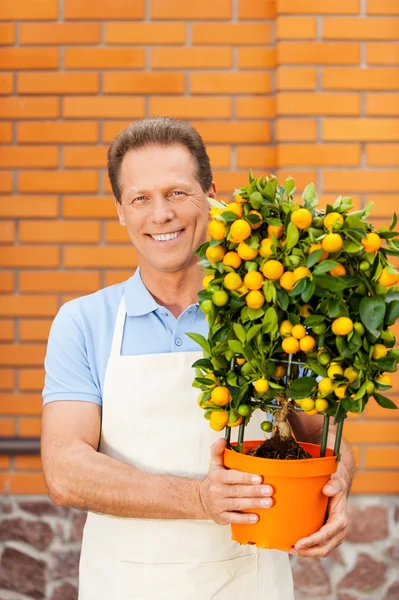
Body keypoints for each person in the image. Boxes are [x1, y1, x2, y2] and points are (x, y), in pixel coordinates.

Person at [41, 117, 355, 599]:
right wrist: (199, 499)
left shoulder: (273, 318)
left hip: (251, 585)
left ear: (211, 195)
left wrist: (339, 490)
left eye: (177, 193)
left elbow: (320, 437)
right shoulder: (83, 322)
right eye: (140, 198)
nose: (160, 214)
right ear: (121, 211)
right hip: (124, 586)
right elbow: (65, 469)